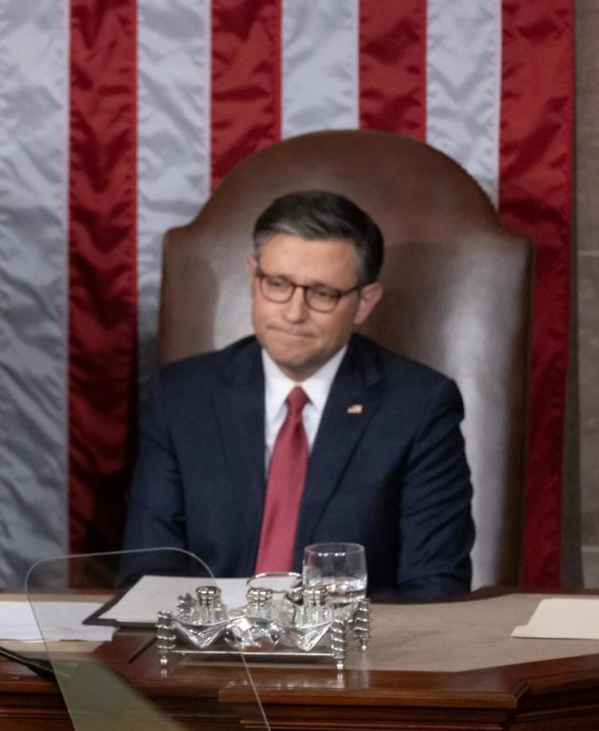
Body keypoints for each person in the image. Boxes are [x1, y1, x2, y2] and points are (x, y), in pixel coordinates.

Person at [122, 190, 474, 599]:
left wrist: (305, 632)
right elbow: (148, 575)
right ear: (253, 277)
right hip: (209, 653)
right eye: (278, 284)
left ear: (363, 302)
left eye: (322, 293)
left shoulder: (419, 407)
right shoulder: (182, 397)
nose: (293, 312)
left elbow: (434, 590)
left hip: (352, 654)